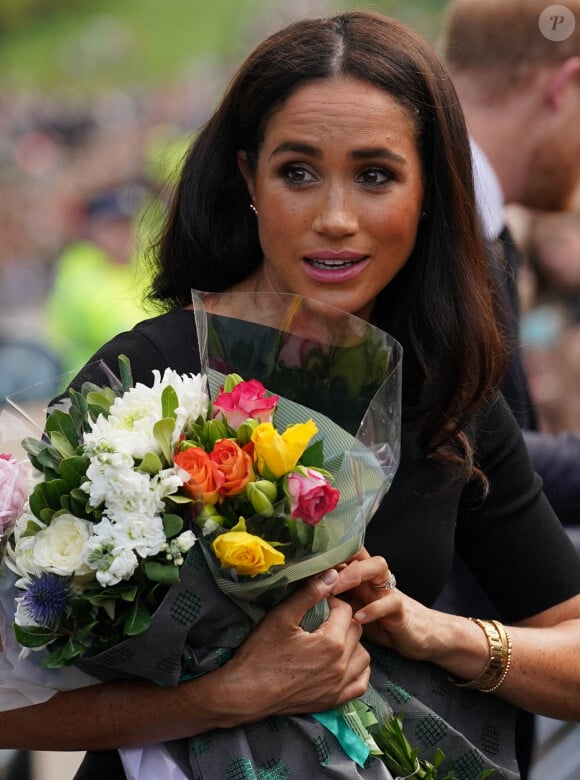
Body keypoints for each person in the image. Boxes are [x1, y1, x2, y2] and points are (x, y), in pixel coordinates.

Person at [1, 11, 580, 780]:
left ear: (430, 192)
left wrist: (437, 632)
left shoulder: (444, 392)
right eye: (297, 172)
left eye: (375, 175)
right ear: (248, 178)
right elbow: (11, 696)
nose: (334, 219)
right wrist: (224, 696)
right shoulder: (148, 374)